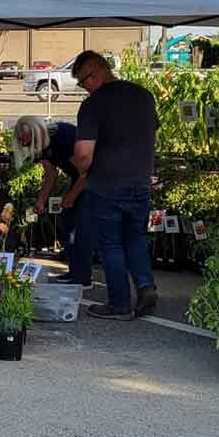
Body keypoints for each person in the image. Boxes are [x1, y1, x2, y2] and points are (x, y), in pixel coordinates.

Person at [67, 51, 158, 321]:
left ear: (94, 74)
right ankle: (146, 287)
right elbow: (151, 134)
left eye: (83, 82)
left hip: (106, 183)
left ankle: (120, 305)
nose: (84, 88)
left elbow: (83, 154)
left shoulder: (94, 105)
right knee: (136, 237)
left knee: (111, 244)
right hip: (140, 180)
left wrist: (84, 173)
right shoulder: (144, 95)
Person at [10, 115, 92, 284]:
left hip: (93, 179)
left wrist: (71, 196)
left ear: (36, 133)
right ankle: (75, 271)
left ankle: (82, 277)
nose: (25, 145)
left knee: (80, 227)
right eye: (22, 142)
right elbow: (51, 174)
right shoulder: (39, 145)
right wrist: (41, 201)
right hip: (78, 179)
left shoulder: (64, 137)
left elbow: (86, 173)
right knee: (68, 222)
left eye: (26, 141)